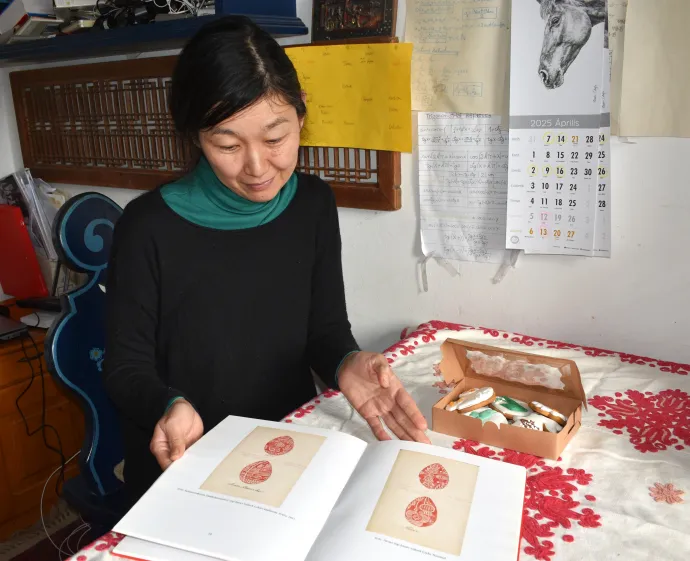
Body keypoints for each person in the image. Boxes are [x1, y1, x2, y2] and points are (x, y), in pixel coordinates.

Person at [102, 15, 429, 505]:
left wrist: (346, 361)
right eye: (228, 145)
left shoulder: (312, 203)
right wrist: (168, 405)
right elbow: (125, 367)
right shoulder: (148, 226)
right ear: (196, 137)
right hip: (190, 460)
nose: (257, 167)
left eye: (275, 139)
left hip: (288, 445)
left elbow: (323, 330)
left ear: (301, 115)